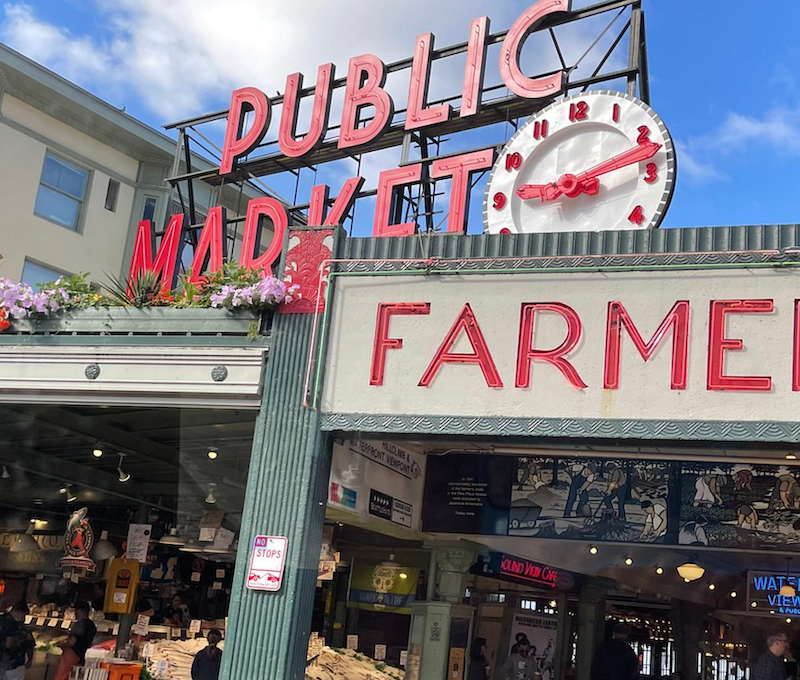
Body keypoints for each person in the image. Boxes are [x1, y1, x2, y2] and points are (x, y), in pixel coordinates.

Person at [54, 601, 96, 680]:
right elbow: (90, 643)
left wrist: (60, 644)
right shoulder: (91, 625)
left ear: (80, 611)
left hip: (71, 655)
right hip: (81, 656)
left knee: (61, 677)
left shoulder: (79, 624)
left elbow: (71, 642)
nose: (75, 613)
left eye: (76, 611)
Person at [6, 602, 35, 680]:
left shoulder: (2, 620)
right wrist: (30, 660)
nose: (24, 618)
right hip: (15, 664)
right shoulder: (21, 628)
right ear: (19, 612)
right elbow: (30, 645)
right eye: (24, 615)